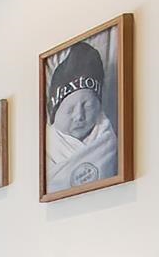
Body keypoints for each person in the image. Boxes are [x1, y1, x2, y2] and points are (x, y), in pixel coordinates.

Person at [45, 38, 116, 191]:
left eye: (88, 105)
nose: (79, 116)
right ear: (54, 113)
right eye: (70, 109)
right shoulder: (46, 150)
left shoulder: (107, 140)